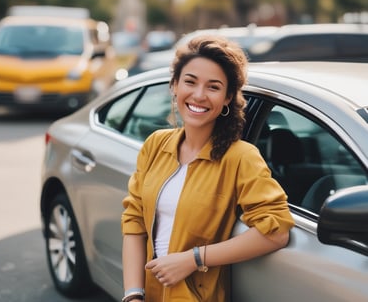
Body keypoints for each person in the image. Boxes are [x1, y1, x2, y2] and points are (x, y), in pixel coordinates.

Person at [121, 35, 295, 302]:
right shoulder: (155, 144)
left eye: (213, 87)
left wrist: (194, 259)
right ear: (175, 85)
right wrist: (133, 294)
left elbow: (276, 232)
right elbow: (134, 221)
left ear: (227, 98)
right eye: (190, 82)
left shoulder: (241, 158)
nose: (199, 95)